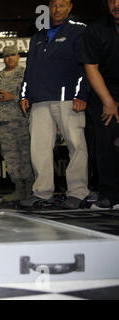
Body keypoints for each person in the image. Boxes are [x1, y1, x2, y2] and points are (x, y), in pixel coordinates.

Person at [19, 0, 90, 209]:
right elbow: (29, 70)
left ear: (70, 7)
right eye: (54, 5)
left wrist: (81, 94)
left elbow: (87, 66)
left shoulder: (79, 31)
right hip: (40, 100)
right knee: (39, 148)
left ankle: (78, 192)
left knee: (76, 145)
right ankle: (42, 193)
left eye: (62, 5)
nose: (57, 9)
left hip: (69, 99)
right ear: (48, 8)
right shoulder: (38, 36)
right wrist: (25, 95)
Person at [81, 0, 119, 210]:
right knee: (106, 142)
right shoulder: (96, 30)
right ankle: (110, 194)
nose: (116, 4)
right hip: (104, 90)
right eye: (112, 0)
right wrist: (108, 101)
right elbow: (91, 68)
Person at [0, 45, 33, 202]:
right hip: (4, 123)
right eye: (6, 56)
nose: (9, 58)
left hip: (23, 121)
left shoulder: (25, 73)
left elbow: (33, 93)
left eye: (12, 55)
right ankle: (19, 188)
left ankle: (31, 189)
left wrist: (13, 96)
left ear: (18, 56)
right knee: (10, 157)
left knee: (26, 155)